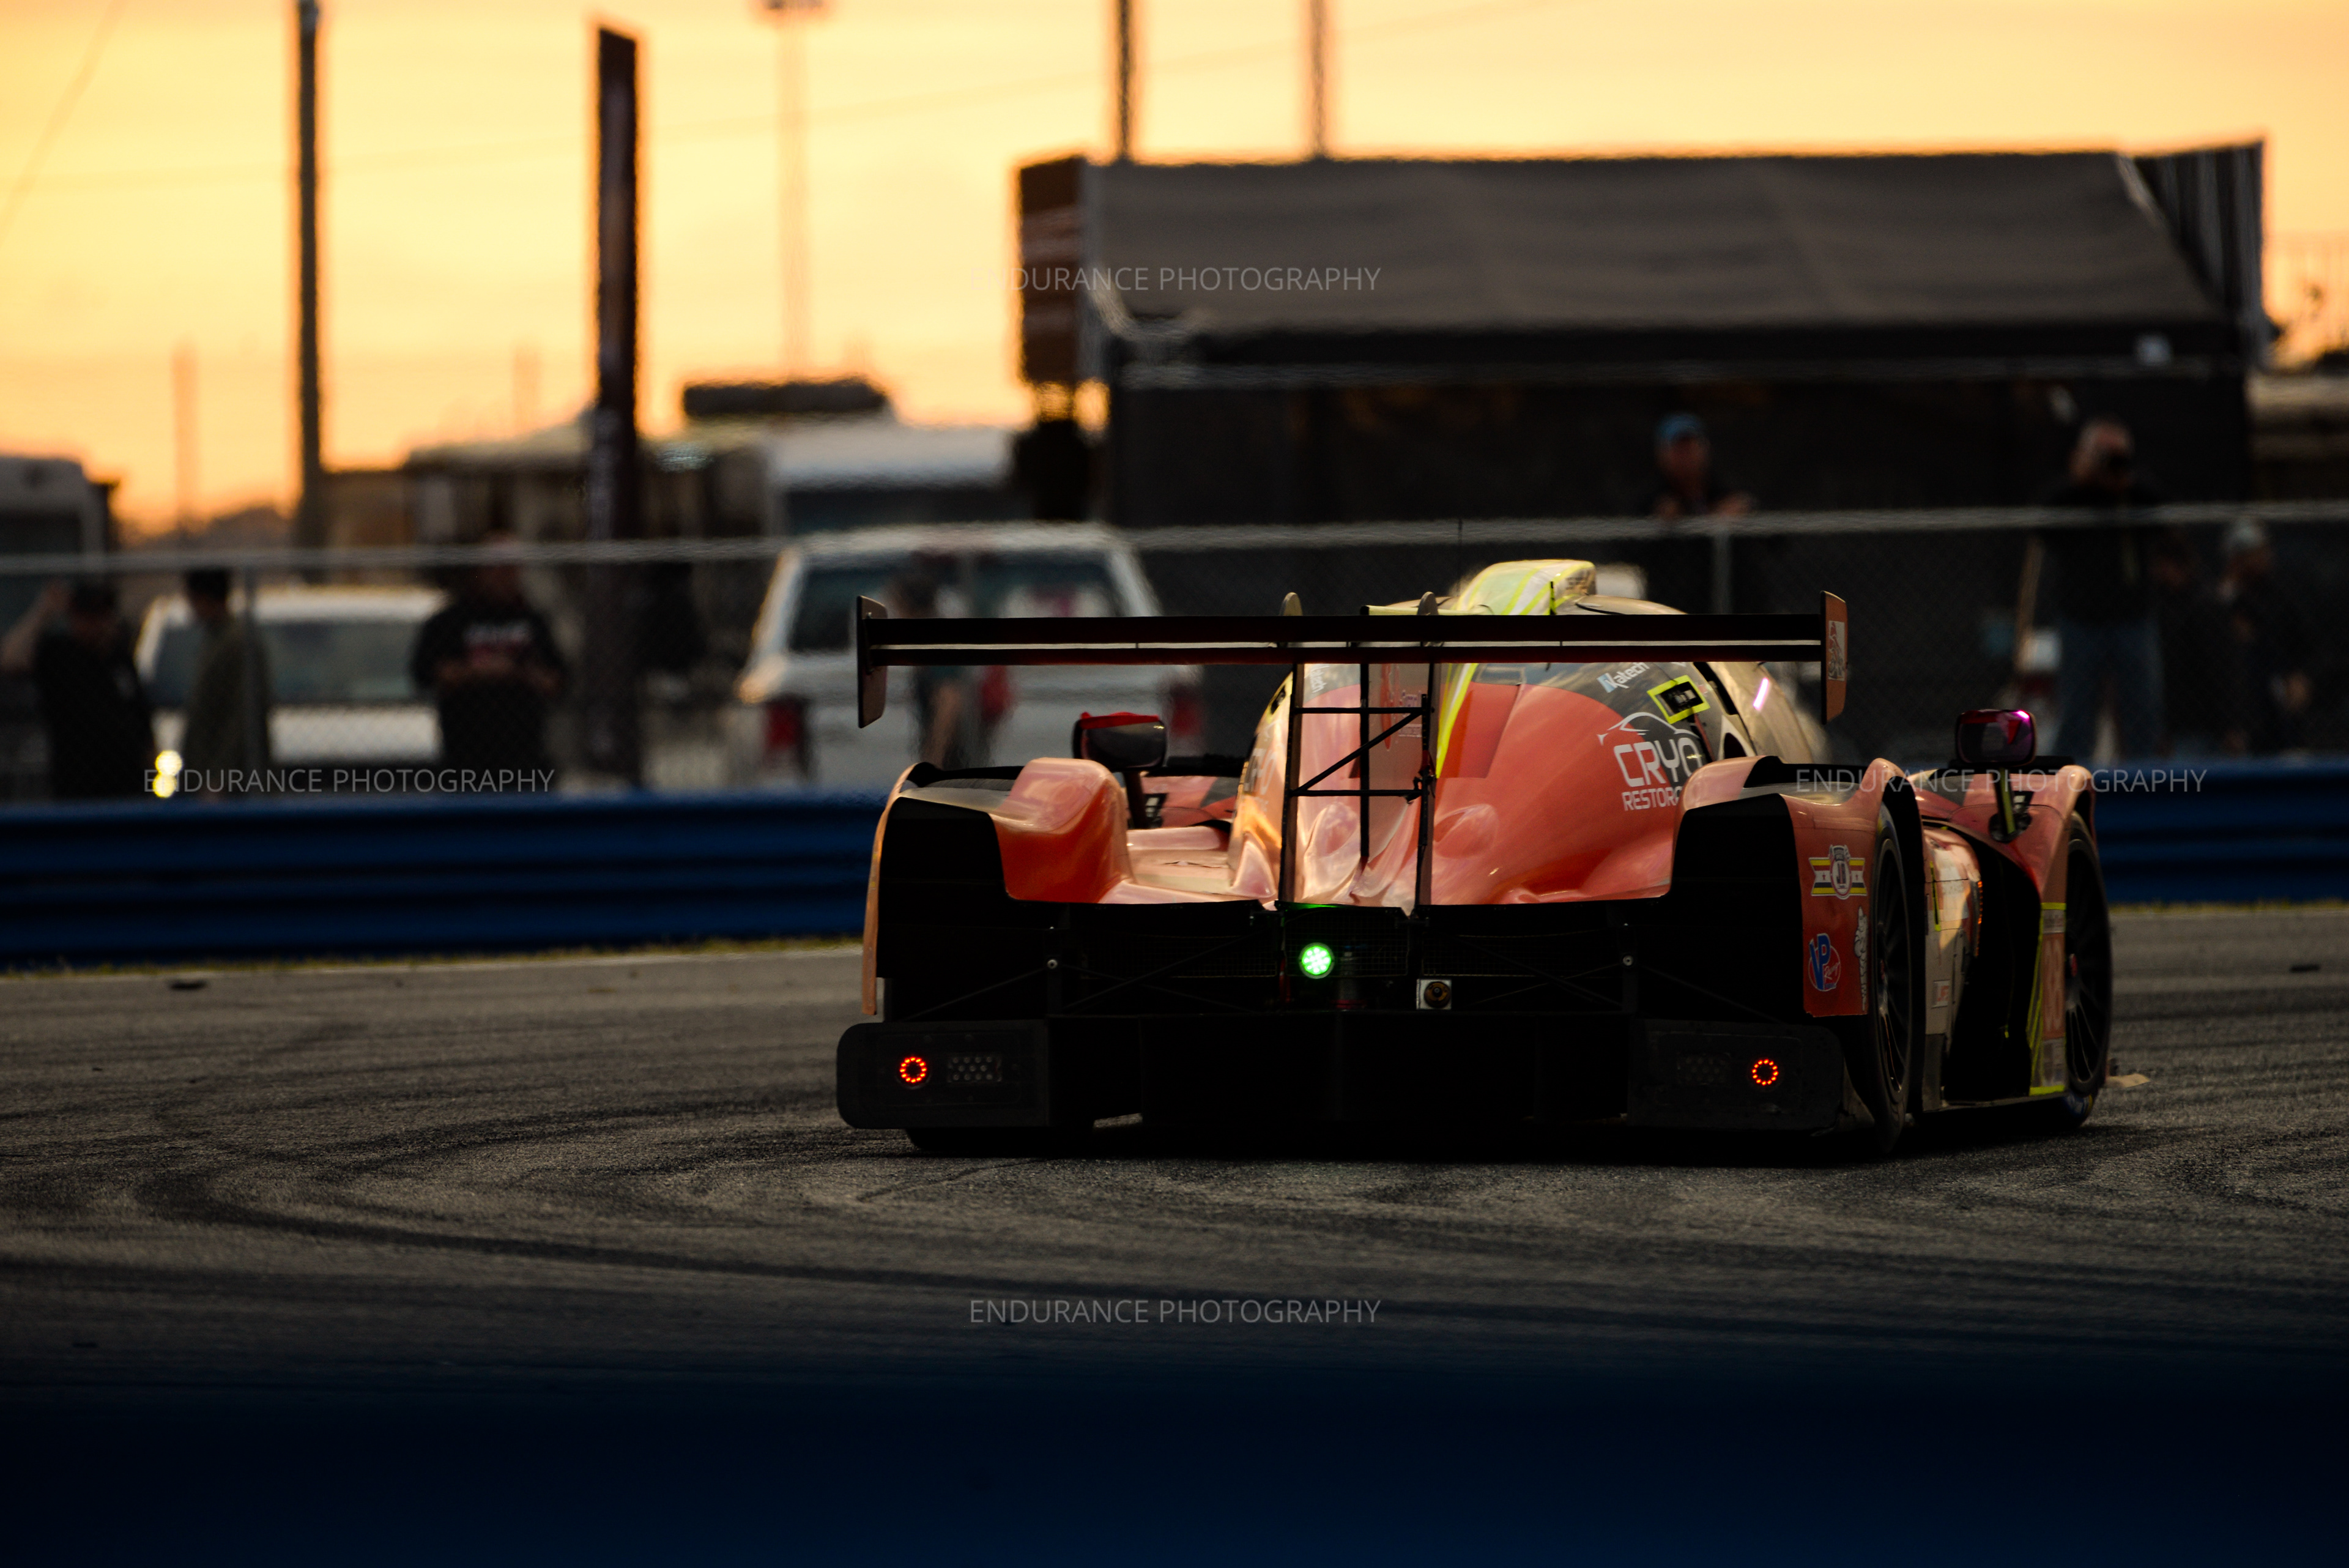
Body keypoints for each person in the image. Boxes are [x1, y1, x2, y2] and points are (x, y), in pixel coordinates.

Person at [2036, 417, 2164, 758]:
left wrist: (2126, 481)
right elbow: (2043, 526)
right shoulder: (2071, 495)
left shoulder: (2133, 492)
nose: (2109, 464)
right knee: (2077, 708)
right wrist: (2080, 480)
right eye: (2102, 455)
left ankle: (2145, 776)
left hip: (2132, 615)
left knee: (2142, 706)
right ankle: (2072, 777)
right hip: (2081, 616)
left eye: (2116, 455)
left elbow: (2160, 512)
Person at [409, 536, 568, 782]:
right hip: (465, 756)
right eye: (497, 569)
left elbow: (557, 681)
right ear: (480, 571)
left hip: (524, 757)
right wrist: (476, 672)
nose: (503, 577)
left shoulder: (533, 621)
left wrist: (517, 672)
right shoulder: (450, 621)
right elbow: (426, 675)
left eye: (511, 570)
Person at [0, 579, 154, 800]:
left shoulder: (120, 659)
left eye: (103, 615)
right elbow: (10, 660)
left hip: (129, 786)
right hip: (78, 786)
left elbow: (141, 717)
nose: (97, 624)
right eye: (88, 616)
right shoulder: (60, 655)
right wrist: (43, 612)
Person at [2216, 519, 2315, 756]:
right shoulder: (2221, 601)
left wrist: (2300, 676)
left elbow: (2303, 644)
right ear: (2237, 559)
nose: (2264, 558)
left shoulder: (2280, 598)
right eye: (2255, 553)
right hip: (2240, 708)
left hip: (2279, 706)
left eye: (2264, 551)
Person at [1641, 413, 1754, 612]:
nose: (1686, 456)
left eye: (1691, 448)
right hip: (1671, 607)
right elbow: (1626, 551)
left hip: (1730, 605)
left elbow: (1777, 539)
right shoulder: (1649, 499)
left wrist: (1747, 510)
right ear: (1663, 454)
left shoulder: (1726, 490)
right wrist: (1659, 523)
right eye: (1678, 450)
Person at [178, 568, 272, 781]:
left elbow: (243, 715)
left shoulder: (237, 643)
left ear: (205, 599)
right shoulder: (216, 639)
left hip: (234, 779)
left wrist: (221, 776)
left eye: (193, 599)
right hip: (209, 770)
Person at [888, 565, 976, 770]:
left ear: (907, 604)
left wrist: (934, 758)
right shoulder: (928, 638)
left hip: (951, 757)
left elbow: (949, 701)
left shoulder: (936, 642)